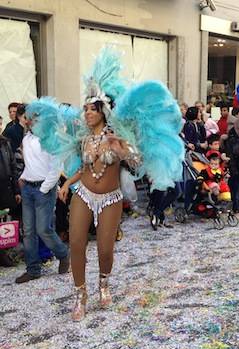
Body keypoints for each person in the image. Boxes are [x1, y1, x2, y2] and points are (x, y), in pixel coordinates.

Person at [29, 48, 183, 321]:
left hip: (111, 197)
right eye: (85, 109)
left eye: (91, 109)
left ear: (102, 111)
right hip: (84, 194)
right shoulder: (83, 140)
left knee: (105, 249)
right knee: (76, 242)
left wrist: (124, 151)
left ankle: (103, 283)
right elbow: (85, 168)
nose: (86, 113)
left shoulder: (118, 136)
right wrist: (68, 184)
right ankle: (80, 294)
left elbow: (136, 165)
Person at [14, 104, 70, 284]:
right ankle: (33, 269)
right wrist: (23, 178)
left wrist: (45, 188)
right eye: (26, 117)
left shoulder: (50, 138)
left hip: (44, 189)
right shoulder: (27, 138)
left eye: (30, 117)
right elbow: (31, 163)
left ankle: (63, 254)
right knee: (28, 231)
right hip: (28, 188)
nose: (27, 120)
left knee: (43, 229)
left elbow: (56, 166)